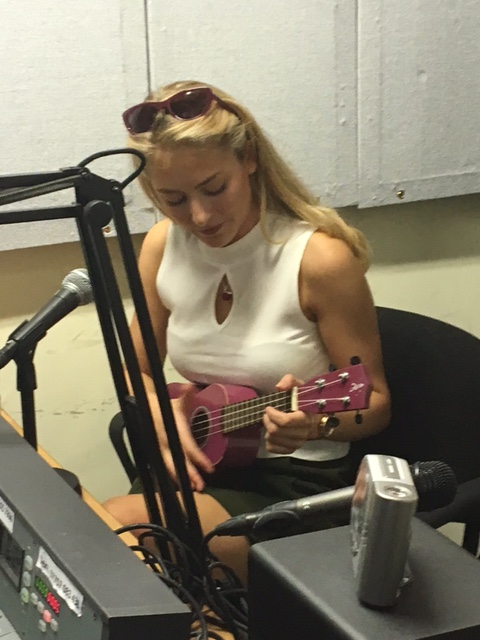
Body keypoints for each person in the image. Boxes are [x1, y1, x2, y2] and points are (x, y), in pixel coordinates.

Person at [103, 80, 391, 584]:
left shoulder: (320, 260)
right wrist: (154, 407)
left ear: (250, 159)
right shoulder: (162, 245)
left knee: (119, 531)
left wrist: (315, 425)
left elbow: (377, 403)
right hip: (198, 459)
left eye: (215, 189)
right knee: (104, 544)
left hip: (292, 484)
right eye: (174, 199)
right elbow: (134, 366)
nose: (199, 215)